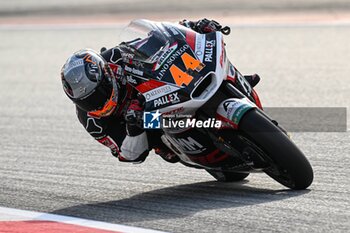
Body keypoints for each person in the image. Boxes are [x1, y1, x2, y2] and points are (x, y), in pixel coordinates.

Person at [60, 19, 260, 164]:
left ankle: (234, 78)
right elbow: (129, 155)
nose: (97, 102)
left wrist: (193, 26)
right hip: (151, 123)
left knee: (202, 56)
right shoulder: (91, 120)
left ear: (106, 74)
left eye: (98, 93)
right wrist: (134, 126)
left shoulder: (115, 57)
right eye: (88, 101)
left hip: (167, 89)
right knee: (163, 135)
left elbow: (161, 38)